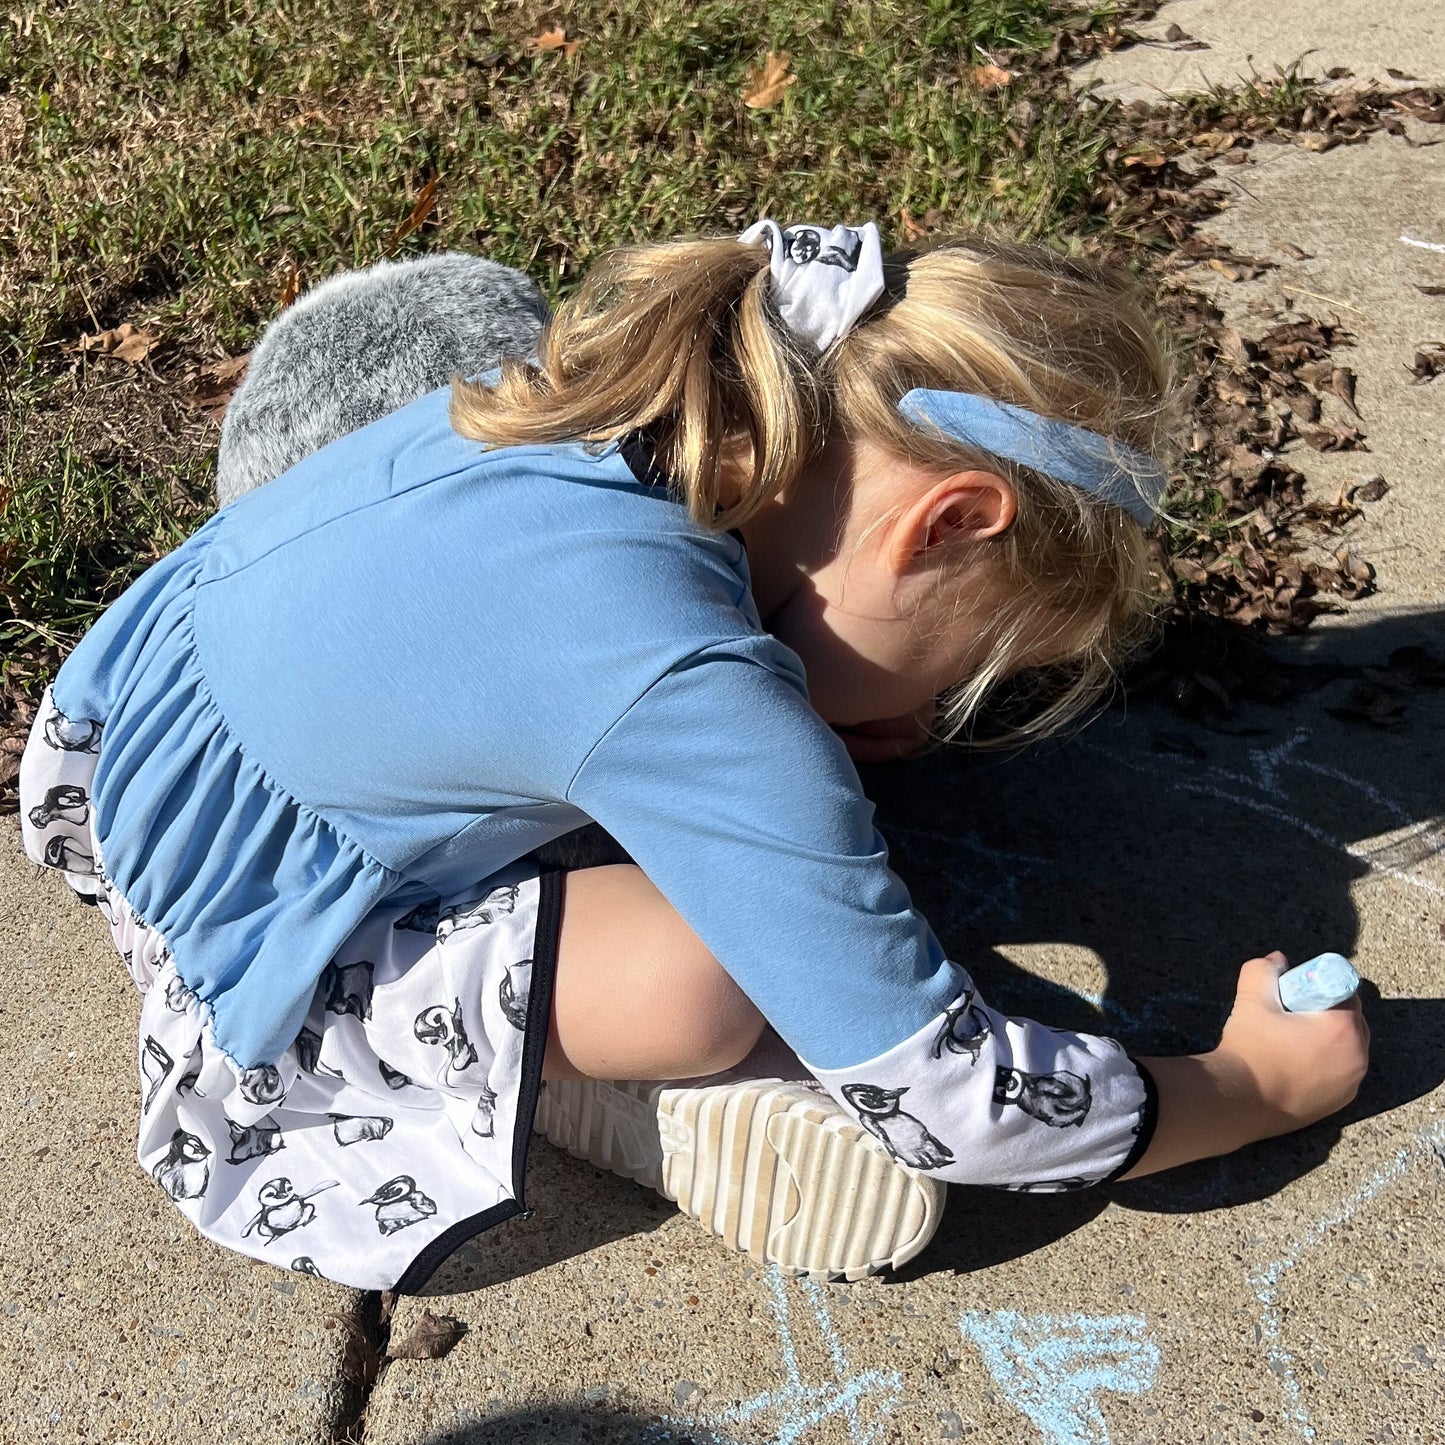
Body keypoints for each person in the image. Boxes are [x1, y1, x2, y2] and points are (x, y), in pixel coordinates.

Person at [17, 222, 1370, 1293]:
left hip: (126, 763)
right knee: (704, 971)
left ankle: (551, 1036)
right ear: (947, 519)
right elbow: (951, 1102)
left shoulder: (615, 408)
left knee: (716, 823)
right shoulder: (683, 682)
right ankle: (510, 1077)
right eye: (970, 671)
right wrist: (1243, 1087)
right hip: (255, 952)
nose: (944, 713)